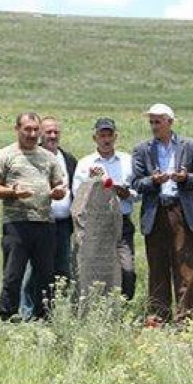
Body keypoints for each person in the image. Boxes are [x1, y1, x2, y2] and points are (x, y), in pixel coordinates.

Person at [0, 112, 67, 320]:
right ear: (17, 130)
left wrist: (59, 192)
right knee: (13, 275)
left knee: (45, 275)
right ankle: (8, 316)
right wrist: (12, 192)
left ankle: (44, 318)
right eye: (27, 129)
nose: (32, 134)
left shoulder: (49, 157)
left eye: (35, 130)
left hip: (45, 223)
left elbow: (59, 185)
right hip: (17, 224)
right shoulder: (5, 155)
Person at [131, 103, 193, 324]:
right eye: (151, 122)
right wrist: (153, 181)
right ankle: (158, 316)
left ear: (170, 122)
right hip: (156, 212)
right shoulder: (142, 149)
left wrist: (186, 179)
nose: (154, 126)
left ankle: (185, 318)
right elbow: (136, 183)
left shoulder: (189, 146)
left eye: (158, 121)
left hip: (180, 210)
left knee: (184, 266)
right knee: (157, 264)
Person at [72, 117, 137, 300]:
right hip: (95, 224)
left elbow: (137, 192)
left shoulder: (127, 161)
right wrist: (91, 182)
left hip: (122, 223)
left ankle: (123, 306)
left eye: (109, 135)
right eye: (102, 135)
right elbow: (77, 195)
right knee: (95, 270)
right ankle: (96, 305)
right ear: (95, 138)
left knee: (127, 270)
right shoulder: (85, 163)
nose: (106, 139)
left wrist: (125, 193)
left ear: (115, 137)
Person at [19, 116, 77, 317]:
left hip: (62, 224)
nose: (52, 136)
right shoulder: (34, 156)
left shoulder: (68, 159)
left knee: (62, 269)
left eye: (56, 132)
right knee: (34, 270)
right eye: (48, 132)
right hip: (38, 222)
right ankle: (27, 312)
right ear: (41, 134)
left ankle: (50, 311)